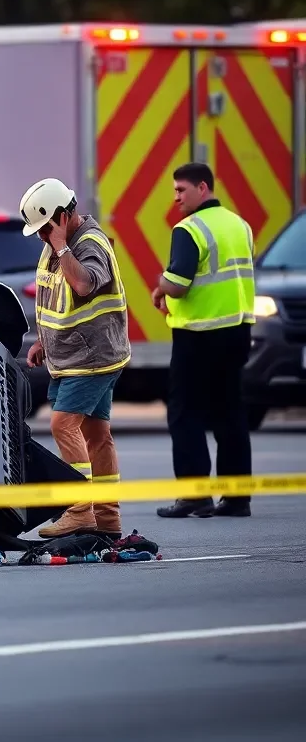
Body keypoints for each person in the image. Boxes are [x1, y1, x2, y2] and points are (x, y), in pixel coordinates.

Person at [20, 178, 131, 538]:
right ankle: (108, 519)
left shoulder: (86, 244)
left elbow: (84, 285)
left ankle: (80, 511)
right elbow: (54, 297)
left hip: (91, 359)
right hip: (73, 356)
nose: (42, 237)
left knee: (62, 426)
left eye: (45, 228)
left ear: (64, 216)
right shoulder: (57, 244)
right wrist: (42, 341)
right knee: (97, 435)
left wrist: (61, 246)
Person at [152, 162, 256, 519]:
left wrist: (160, 286)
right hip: (237, 330)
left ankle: (195, 496)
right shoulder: (239, 225)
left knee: (185, 414)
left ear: (202, 187)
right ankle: (237, 497)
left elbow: (179, 282)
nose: (176, 198)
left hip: (198, 335)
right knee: (230, 412)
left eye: (181, 190)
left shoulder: (189, 229)